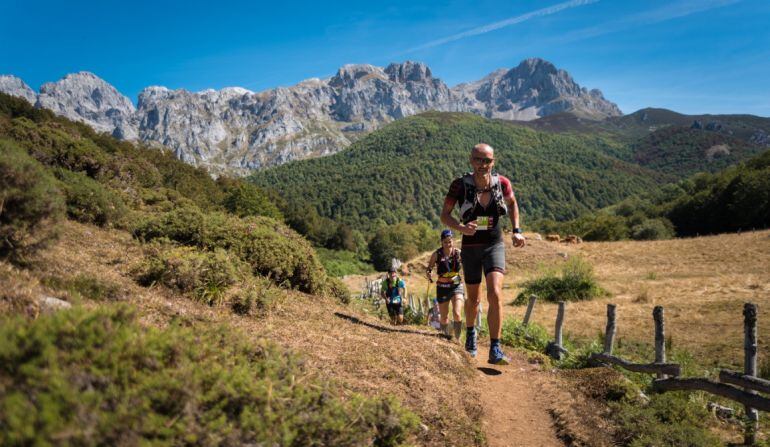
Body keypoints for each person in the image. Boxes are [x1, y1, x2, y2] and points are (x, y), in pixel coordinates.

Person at [440, 143, 526, 365]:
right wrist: (460, 229)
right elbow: (445, 215)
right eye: (478, 160)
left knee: (495, 293)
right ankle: (471, 336)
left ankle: (496, 348)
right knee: (474, 299)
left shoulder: (502, 183)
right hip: (469, 247)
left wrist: (516, 230)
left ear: (493, 162)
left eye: (487, 160)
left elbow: (513, 203)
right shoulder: (459, 186)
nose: (483, 165)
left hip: (494, 244)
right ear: (471, 160)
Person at [426, 229, 464, 341]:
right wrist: (429, 274)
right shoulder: (437, 254)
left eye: (450, 241)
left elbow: (467, 263)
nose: (448, 244)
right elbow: (429, 268)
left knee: (457, 313)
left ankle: (458, 339)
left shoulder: (458, 253)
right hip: (442, 287)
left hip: (456, 284)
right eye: (445, 242)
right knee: (444, 317)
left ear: (453, 241)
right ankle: (445, 336)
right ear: (441, 242)